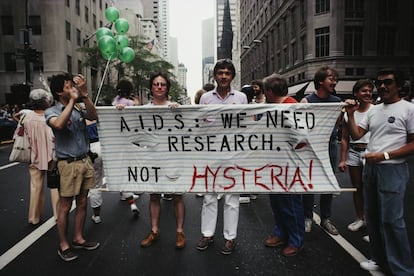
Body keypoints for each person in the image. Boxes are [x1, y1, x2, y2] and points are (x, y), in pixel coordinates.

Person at [345, 68, 414, 274]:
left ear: (399, 85)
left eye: (388, 82)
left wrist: (383, 156)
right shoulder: (374, 110)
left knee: (392, 221)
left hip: (392, 169)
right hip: (371, 169)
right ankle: (378, 259)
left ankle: (403, 269)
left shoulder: (408, 109)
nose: (382, 86)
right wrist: (350, 115)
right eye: (379, 82)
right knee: (373, 218)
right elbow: (357, 135)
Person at [45, 73, 99, 262]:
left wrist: (84, 95)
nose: (73, 88)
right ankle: (64, 244)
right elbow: (59, 125)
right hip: (67, 164)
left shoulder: (78, 106)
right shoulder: (51, 111)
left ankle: (78, 237)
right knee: (65, 205)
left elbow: (93, 115)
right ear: (60, 91)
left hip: (84, 160)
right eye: (69, 86)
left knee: (83, 201)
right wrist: (72, 102)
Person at [196, 59, 248, 255]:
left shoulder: (242, 98)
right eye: (220, 73)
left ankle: (230, 238)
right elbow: (199, 126)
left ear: (232, 76)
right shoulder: (206, 98)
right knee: (209, 196)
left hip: (234, 155)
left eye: (227, 73)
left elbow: (247, 125)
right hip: (210, 155)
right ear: (215, 76)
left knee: (231, 198)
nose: (224, 76)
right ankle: (207, 234)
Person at [137, 72, 186, 249]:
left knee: (177, 195)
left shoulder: (175, 107)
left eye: (162, 84)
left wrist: (178, 109)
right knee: (154, 195)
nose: (159, 87)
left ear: (167, 88)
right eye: (156, 84)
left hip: (173, 158)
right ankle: (154, 230)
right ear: (151, 87)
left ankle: (180, 232)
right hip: (153, 157)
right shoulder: (143, 109)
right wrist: (121, 110)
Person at [261, 73, 305, 257]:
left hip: (290, 165)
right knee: (278, 202)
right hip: (275, 164)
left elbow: (302, 140)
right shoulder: (273, 107)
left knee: (291, 204)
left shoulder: (291, 107)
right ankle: (280, 233)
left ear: (269, 92)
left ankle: (296, 240)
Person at [300, 66, 341, 235]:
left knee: (328, 182)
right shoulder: (306, 102)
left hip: (329, 147)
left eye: (334, 78)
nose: (334, 81)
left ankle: (326, 219)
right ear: (320, 81)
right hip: (310, 148)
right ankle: (307, 217)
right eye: (331, 78)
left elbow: (336, 125)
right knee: (309, 181)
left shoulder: (337, 101)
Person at [338, 80, 373, 238]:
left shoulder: (375, 110)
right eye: (364, 91)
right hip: (353, 152)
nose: (368, 93)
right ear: (356, 93)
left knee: (372, 189)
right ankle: (361, 218)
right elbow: (345, 137)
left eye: (370, 90)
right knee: (357, 188)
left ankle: (373, 224)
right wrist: (343, 159)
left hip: (371, 152)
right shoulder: (348, 113)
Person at [23, 89, 59, 225]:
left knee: (35, 186)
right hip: (51, 155)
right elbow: (53, 137)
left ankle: (34, 217)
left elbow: (20, 135)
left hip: (34, 155)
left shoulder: (26, 117)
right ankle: (57, 215)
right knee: (55, 185)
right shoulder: (50, 117)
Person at [112, 80, 140, 214]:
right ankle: (130, 198)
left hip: (116, 139)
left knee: (120, 167)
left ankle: (124, 193)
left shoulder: (114, 101)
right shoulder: (129, 103)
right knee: (129, 167)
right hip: (129, 139)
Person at [86, 119, 104, 224]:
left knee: (95, 184)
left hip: (92, 149)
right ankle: (131, 203)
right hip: (105, 147)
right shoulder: (99, 119)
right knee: (116, 175)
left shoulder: (80, 120)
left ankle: (97, 215)